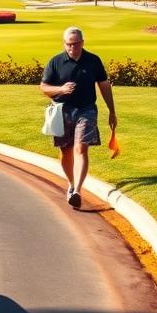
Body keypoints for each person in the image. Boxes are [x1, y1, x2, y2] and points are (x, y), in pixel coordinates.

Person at [40, 26, 118, 210]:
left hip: (87, 109)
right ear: (64, 44)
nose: (72, 48)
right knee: (65, 151)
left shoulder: (93, 60)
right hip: (62, 111)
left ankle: (78, 191)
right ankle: (71, 183)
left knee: (81, 148)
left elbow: (104, 85)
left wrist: (112, 111)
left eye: (76, 44)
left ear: (82, 43)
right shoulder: (56, 62)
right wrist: (60, 90)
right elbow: (43, 87)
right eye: (69, 44)